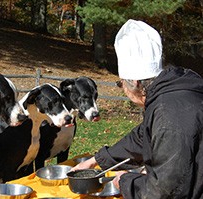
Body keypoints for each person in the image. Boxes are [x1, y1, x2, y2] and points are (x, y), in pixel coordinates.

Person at [71, 19, 203, 198]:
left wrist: (126, 182)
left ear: (134, 82)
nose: (122, 89)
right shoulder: (171, 93)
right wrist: (96, 161)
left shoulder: (168, 114)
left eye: (120, 83)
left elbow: (165, 192)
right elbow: (142, 137)